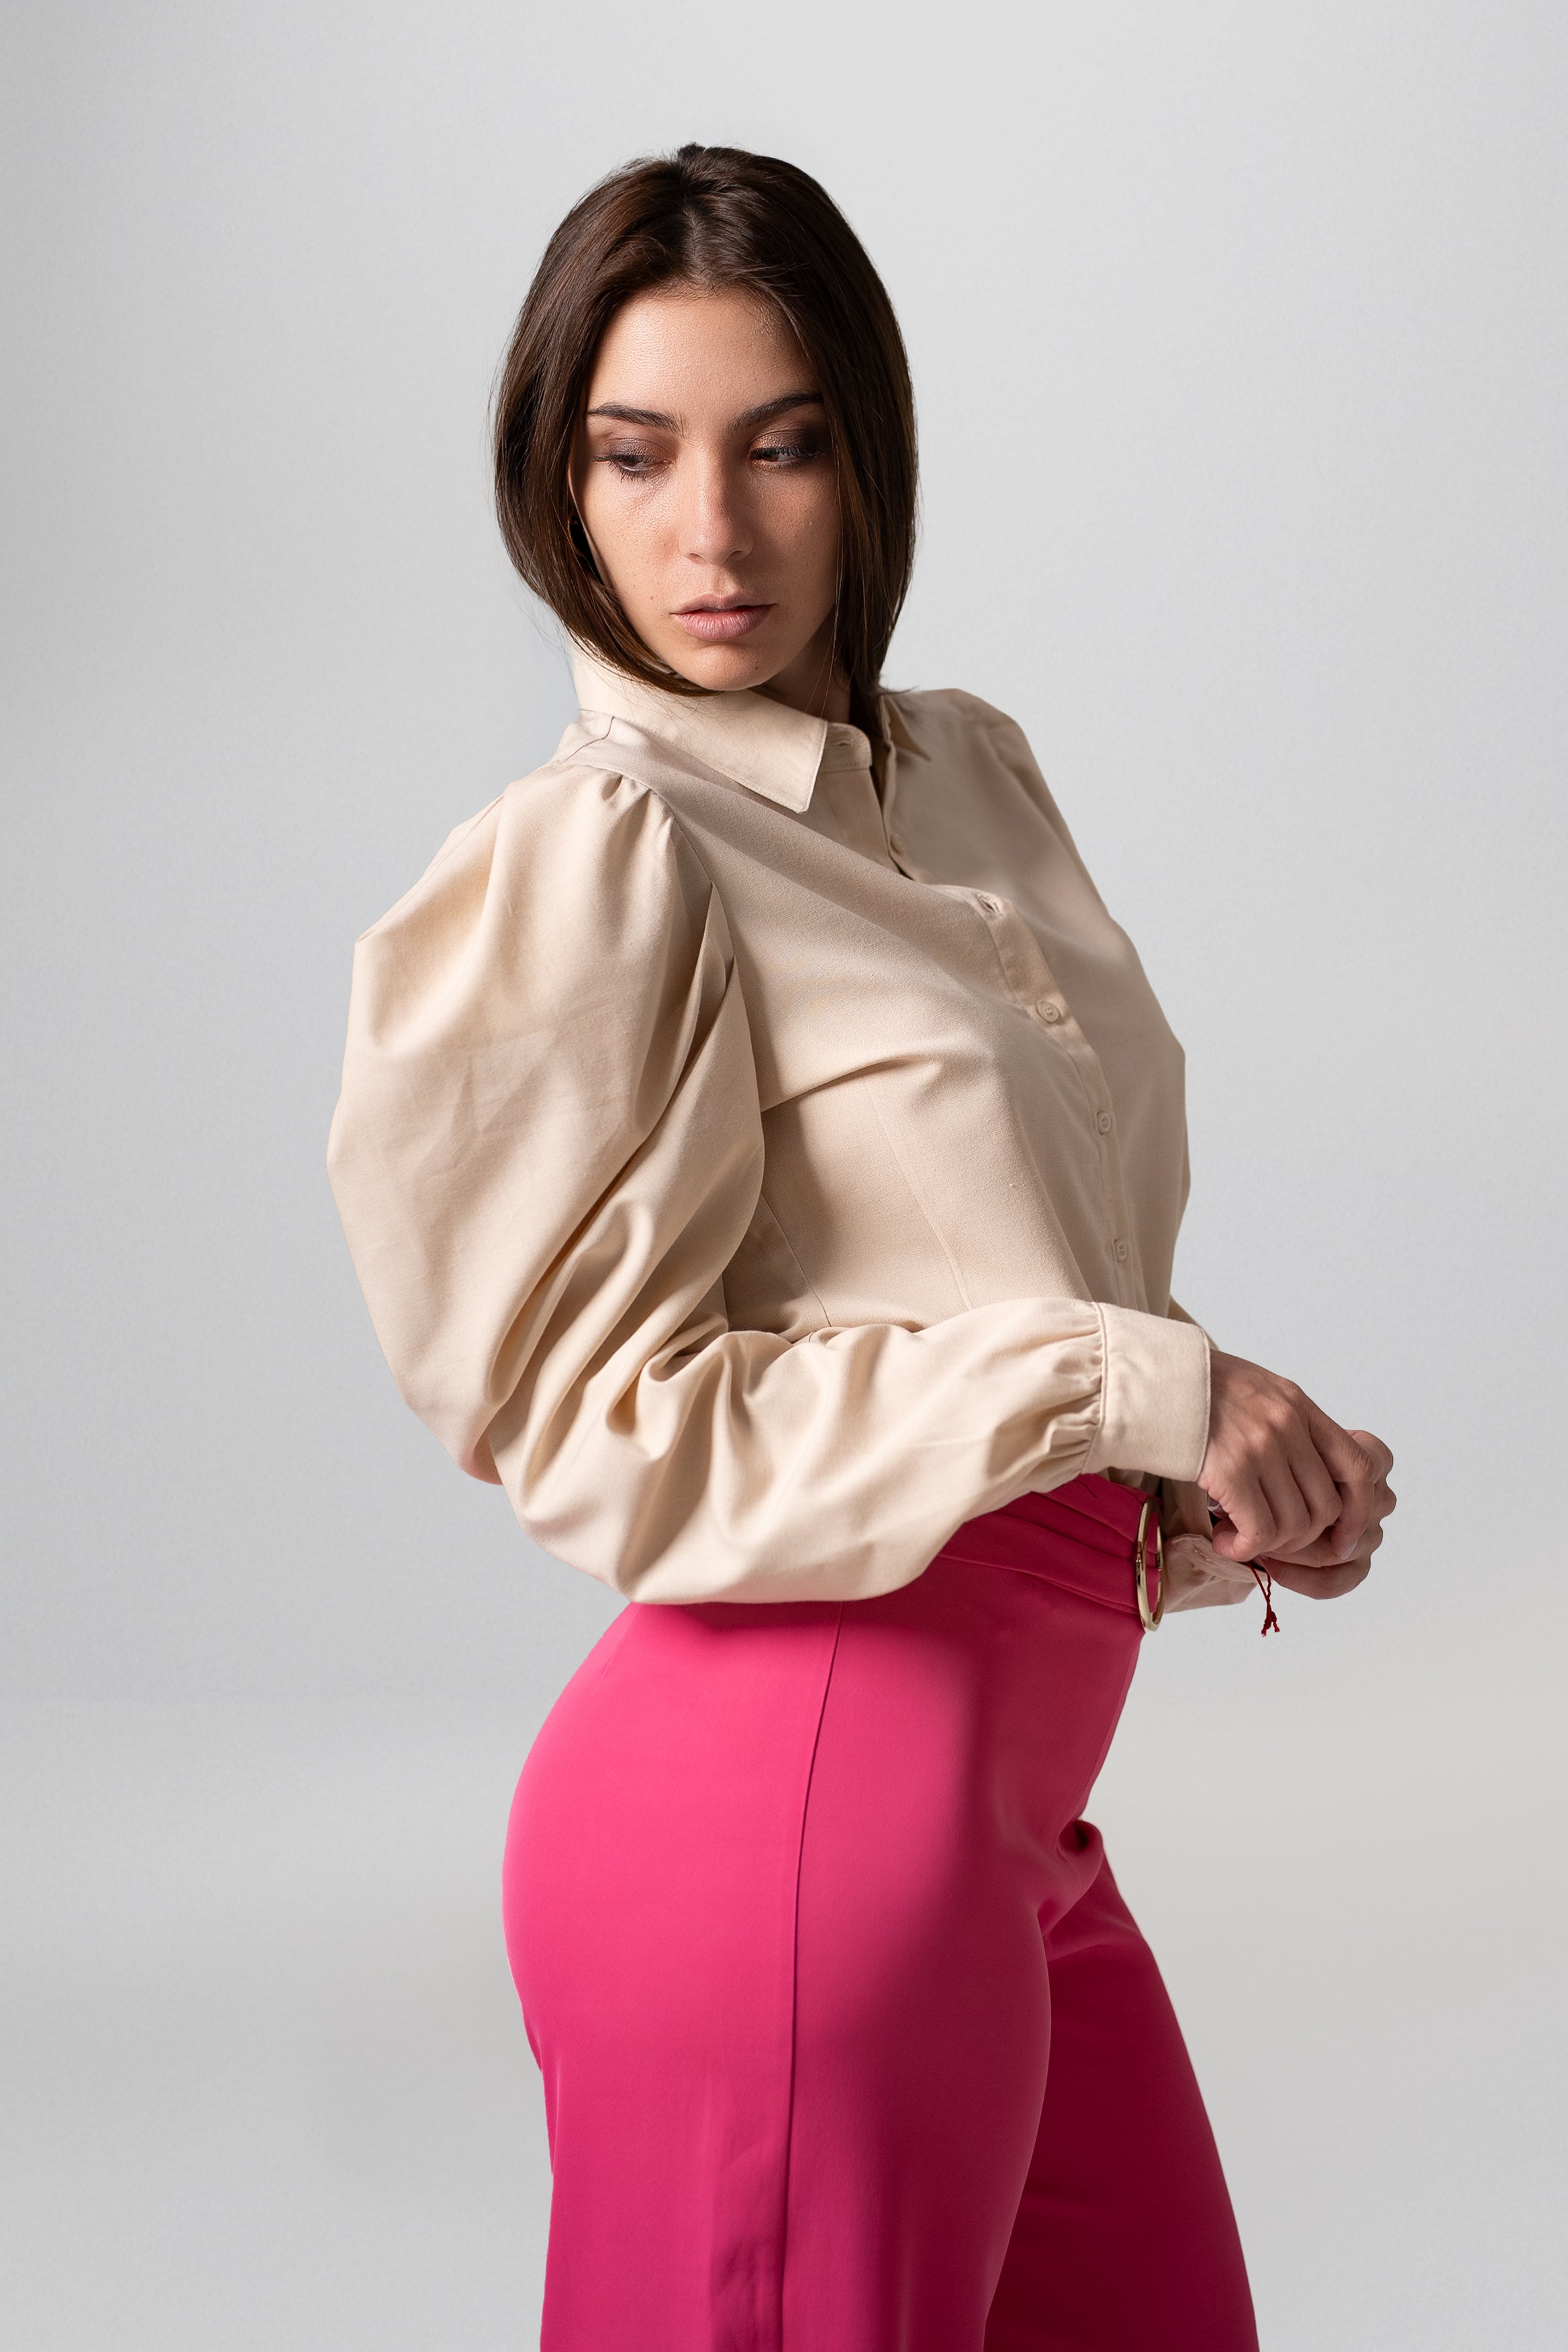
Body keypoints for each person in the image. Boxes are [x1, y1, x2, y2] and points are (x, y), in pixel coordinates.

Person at [327, 144, 1395, 2352]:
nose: (710, 535)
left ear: (868, 465)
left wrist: (1208, 1476)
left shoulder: (972, 777)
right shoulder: (601, 853)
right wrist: (1147, 1389)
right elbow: (605, 1432)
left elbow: (985, 1277)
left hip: (1008, 1838)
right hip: (781, 1827)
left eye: (780, 446)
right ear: (558, 483)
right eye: (636, 455)